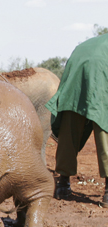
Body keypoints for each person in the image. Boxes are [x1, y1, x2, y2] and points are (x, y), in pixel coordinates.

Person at [46, 33, 108, 206]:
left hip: (75, 85)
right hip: (100, 81)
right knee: (105, 127)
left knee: (69, 132)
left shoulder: (87, 44)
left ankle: (63, 185)